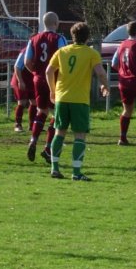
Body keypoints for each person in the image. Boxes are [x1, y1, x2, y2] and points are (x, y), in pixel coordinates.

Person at [45, 22, 110, 181]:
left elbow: (48, 71)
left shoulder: (62, 51)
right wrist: (105, 86)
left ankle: (54, 168)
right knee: (79, 135)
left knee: (59, 132)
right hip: (79, 99)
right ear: (87, 37)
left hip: (62, 98)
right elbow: (100, 73)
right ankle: (76, 172)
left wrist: (53, 90)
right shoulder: (91, 53)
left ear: (72, 36)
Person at [25, 11, 68, 163]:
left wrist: (36, 73)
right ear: (56, 24)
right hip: (54, 80)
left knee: (41, 110)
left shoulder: (33, 39)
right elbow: (64, 60)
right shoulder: (60, 39)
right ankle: (48, 148)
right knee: (56, 114)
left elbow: (27, 62)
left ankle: (33, 139)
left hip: (38, 79)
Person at [10, 48, 36, 132]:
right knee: (22, 102)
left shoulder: (40, 49)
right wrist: (20, 81)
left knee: (34, 102)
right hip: (20, 78)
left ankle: (32, 125)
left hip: (31, 79)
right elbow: (17, 67)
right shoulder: (26, 51)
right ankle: (18, 124)